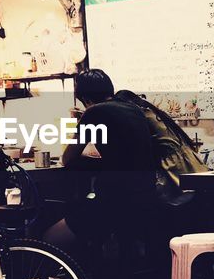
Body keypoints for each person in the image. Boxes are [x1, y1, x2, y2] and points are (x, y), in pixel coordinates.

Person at [45, 70, 157, 263]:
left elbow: (67, 158)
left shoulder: (94, 112)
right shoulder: (133, 109)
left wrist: (83, 120)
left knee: (48, 238)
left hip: (114, 202)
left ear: (82, 96)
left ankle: (68, 274)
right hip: (146, 196)